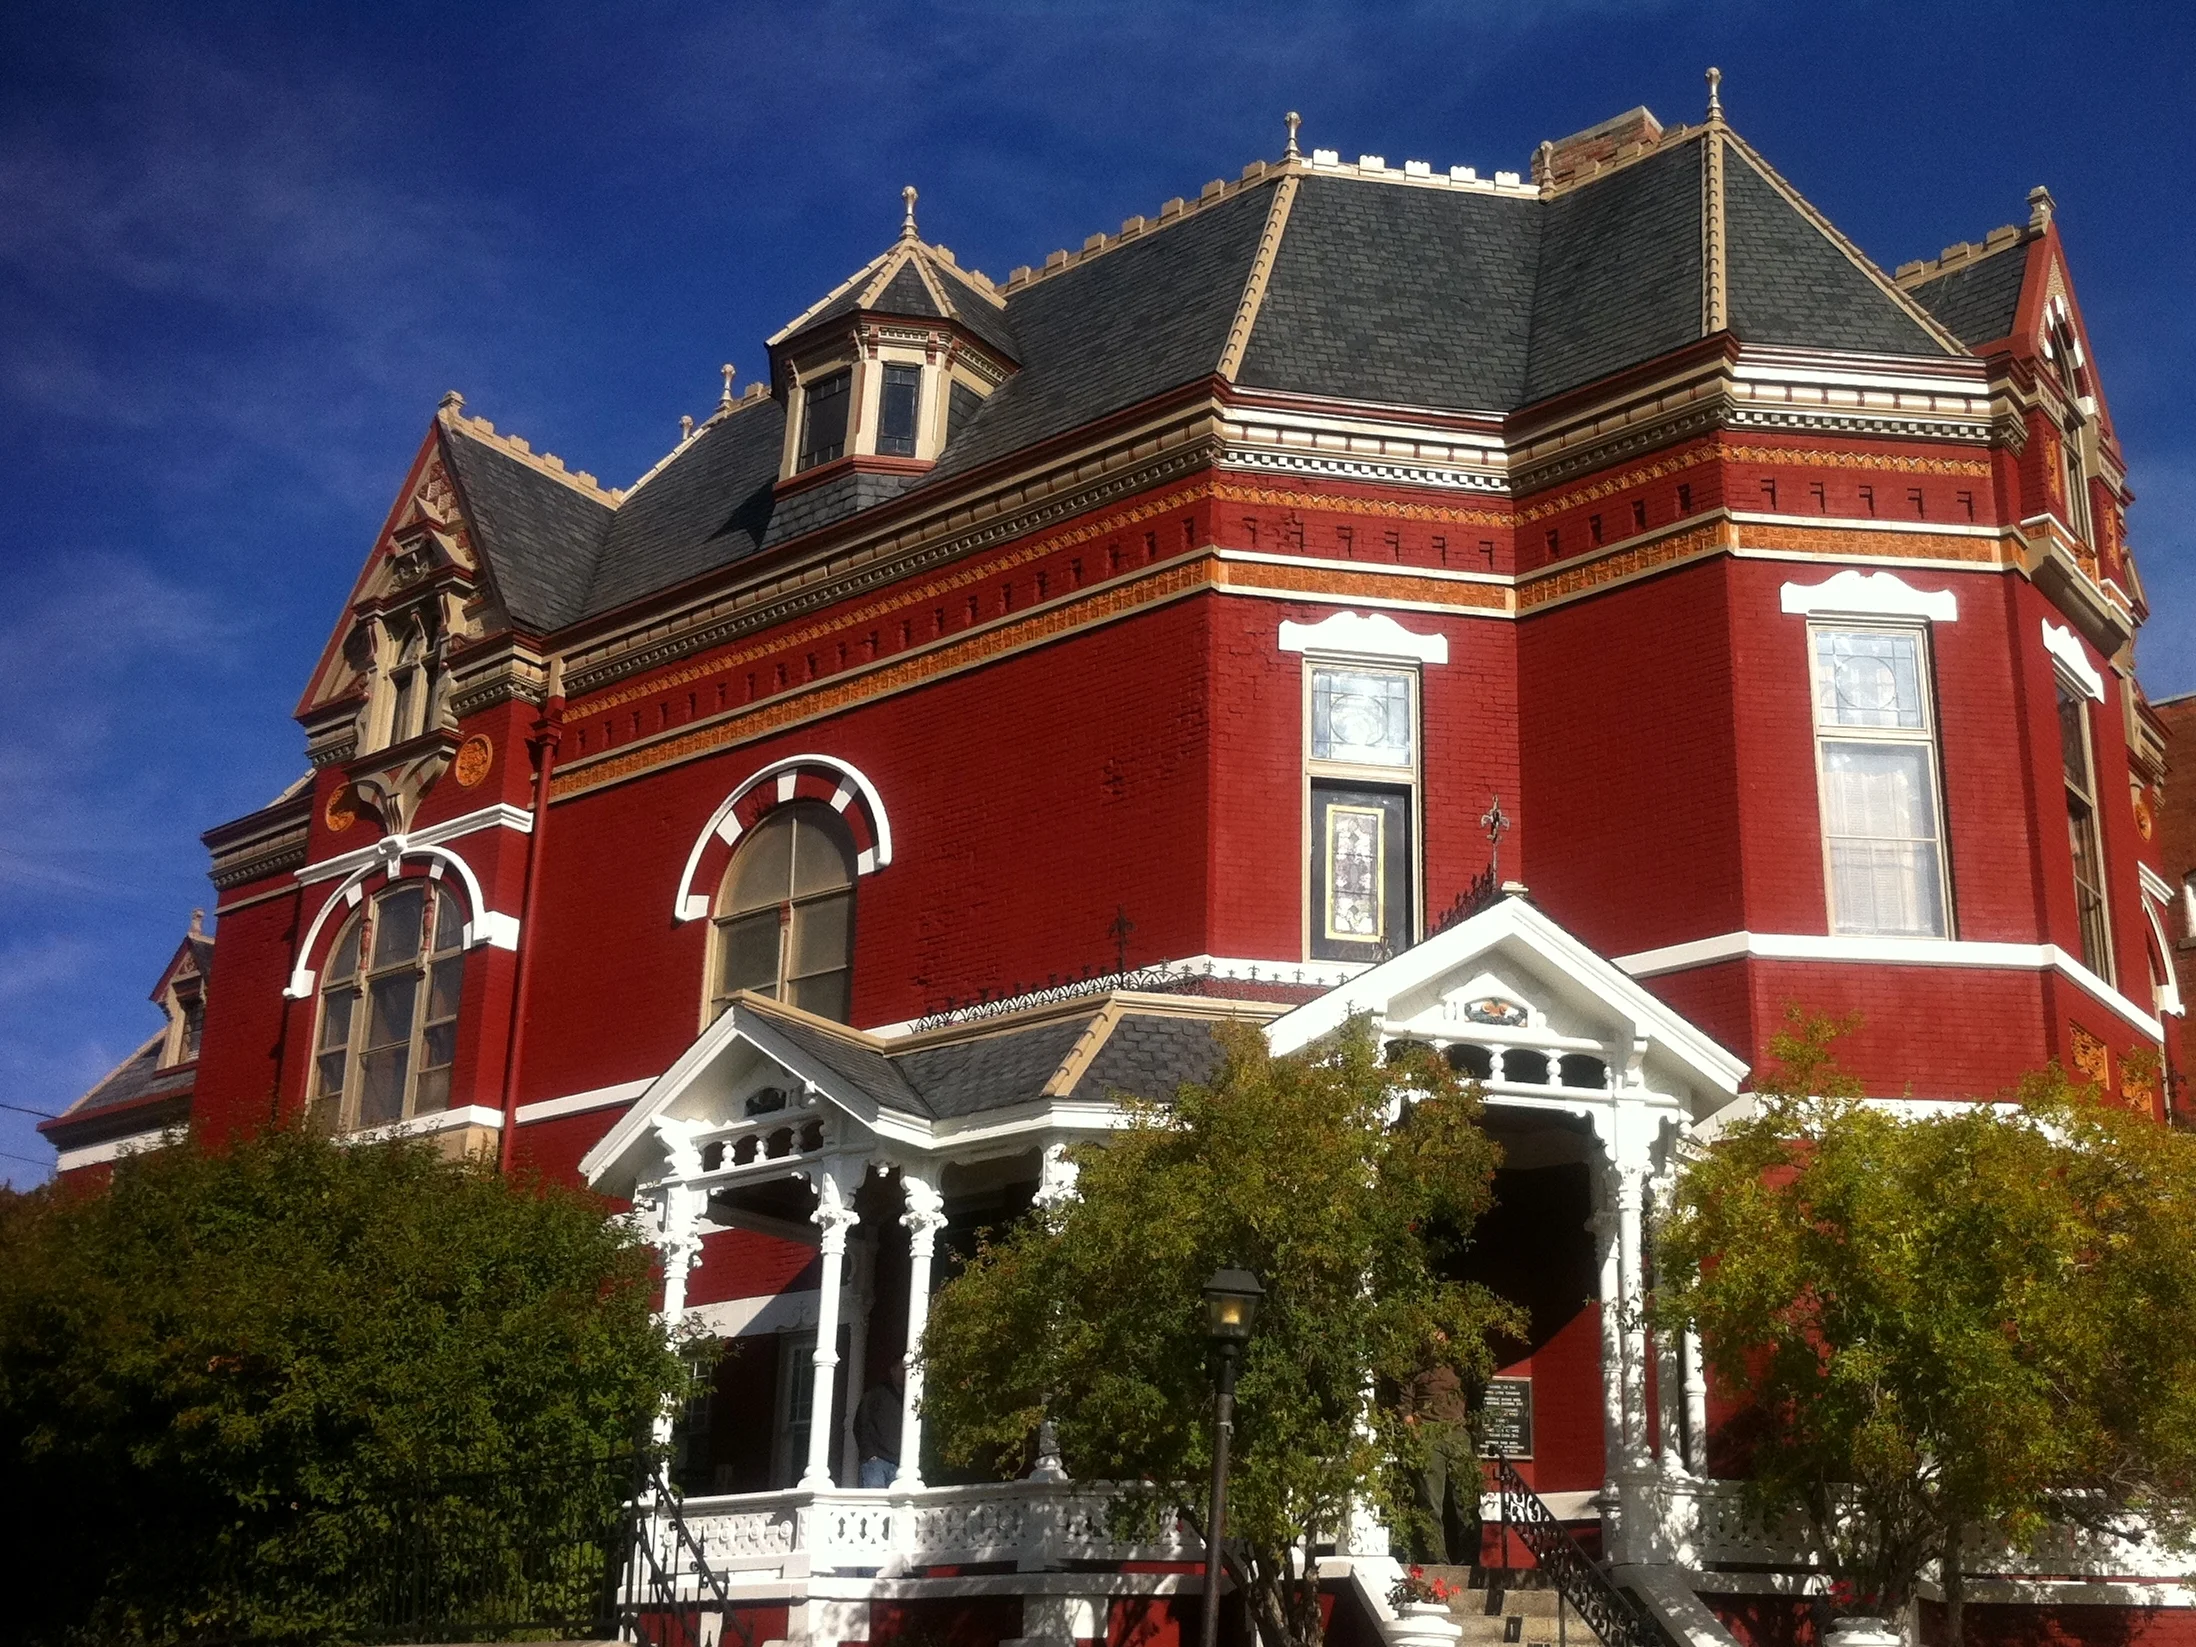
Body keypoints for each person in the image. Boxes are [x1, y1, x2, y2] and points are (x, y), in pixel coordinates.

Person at [1402, 1338, 1476, 1566]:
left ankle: (1470, 1559)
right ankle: (1437, 1560)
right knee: (1431, 1502)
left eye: (1441, 1335)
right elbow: (1405, 1407)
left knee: (1467, 1503)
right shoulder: (1415, 1368)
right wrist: (1417, 1435)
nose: (1436, 1340)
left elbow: (1477, 1399)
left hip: (1457, 1434)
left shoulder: (1461, 1367)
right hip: (1429, 1435)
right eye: (1431, 1335)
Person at [854, 1358, 906, 1488]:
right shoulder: (876, 1394)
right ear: (892, 1371)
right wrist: (870, 1454)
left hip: (899, 1463)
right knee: (875, 1503)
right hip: (877, 1461)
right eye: (902, 1370)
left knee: (896, 1506)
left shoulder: (908, 1399)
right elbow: (861, 1423)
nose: (905, 1374)